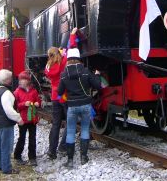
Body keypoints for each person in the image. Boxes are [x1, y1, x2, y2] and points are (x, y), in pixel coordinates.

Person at [58, 48, 101, 168]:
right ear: (79, 58)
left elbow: (60, 92)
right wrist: (97, 75)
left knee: (71, 131)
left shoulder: (64, 74)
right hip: (86, 105)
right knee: (85, 130)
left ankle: (70, 160)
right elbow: (98, 85)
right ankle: (83, 158)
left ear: (68, 59)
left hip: (72, 106)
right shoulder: (86, 71)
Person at [45, 28, 77, 159]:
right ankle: (63, 146)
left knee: (56, 124)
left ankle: (51, 151)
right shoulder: (64, 61)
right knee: (70, 121)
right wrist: (73, 35)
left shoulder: (47, 66)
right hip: (64, 95)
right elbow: (72, 47)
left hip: (54, 96)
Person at [0, 69, 24, 175]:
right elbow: (9, 110)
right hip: (5, 123)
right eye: (10, 78)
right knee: (6, 146)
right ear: (7, 79)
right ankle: (7, 168)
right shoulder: (6, 92)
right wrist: (19, 118)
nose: (11, 80)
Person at [13, 71, 41, 166]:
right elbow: (16, 106)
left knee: (32, 138)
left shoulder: (34, 90)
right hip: (23, 119)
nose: (22, 81)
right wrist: (24, 104)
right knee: (22, 138)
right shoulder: (17, 92)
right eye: (21, 79)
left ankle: (32, 157)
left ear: (28, 80)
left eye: (24, 79)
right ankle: (17, 156)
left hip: (32, 118)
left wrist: (38, 103)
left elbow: (38, 100)